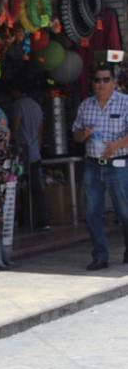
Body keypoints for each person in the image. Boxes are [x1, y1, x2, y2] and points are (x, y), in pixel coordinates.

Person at [72, 64, 128, 271]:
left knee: (124, 211)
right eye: (97, 80)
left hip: (118, 164)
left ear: (114, 82)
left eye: (106, 80)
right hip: (93, 164)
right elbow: (76, 134)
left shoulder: (124, 103)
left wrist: (116, 145)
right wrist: (83, 134)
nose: (101, 84)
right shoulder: (86, 106)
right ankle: (100, 256)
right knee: (92, 212)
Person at [11, 85, 50, 230]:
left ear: (17, 91)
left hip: (22, 150)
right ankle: (43, 221)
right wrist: (37, 147)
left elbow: (15, 126)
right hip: (35, 151)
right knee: (38, 188)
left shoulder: (18, 105)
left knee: (18, 186)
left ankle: (21, 221)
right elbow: (40, 131)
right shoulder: (36, 106)